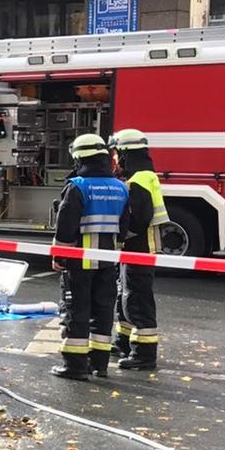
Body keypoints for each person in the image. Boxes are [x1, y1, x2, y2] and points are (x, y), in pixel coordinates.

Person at [51, 133, 129, 381]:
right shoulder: (121, 188)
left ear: (79, 158)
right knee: (104, 311)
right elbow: (126, 228)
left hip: (79, 263)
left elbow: (65, 227)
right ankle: (100, 364)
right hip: (108, 263)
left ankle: (75, 366)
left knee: (76, 311)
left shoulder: (77, 186)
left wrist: (59, 257)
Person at [110, 129, 168, 371]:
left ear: (125, 153)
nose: (114, 159)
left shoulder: (138, 180)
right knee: (124, 294)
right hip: (136, 249)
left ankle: (144, 354)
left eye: (116, 154)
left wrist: (118, 235)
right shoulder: (144, 175)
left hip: (140, 249)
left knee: (137, 299)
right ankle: (123, 342)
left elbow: (139, 219)